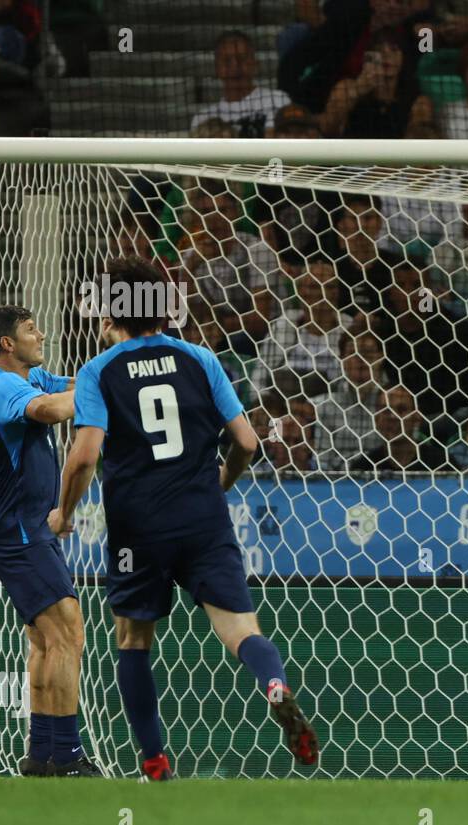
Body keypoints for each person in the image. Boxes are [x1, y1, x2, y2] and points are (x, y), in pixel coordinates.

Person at [50, 256, 319, 780]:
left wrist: (64, 513)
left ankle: (154, 761)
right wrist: (220, 484)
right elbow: (246, 441)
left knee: (132, 640)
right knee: (241, 630)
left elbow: (83, 457)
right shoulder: (200, 357)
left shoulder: (98, 372)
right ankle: (274, 684)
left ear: (112, 313)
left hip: (137, 527)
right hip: (203, 517)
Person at [0, 306, 99, 776]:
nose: (41, 334)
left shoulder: (31, 375)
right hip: (20, 532)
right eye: (31, 329)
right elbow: (49, 410)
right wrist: (103, 392)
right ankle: (67, 756)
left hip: (31, 529)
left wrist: (101, 381)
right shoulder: (0, 383)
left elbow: (67, 387)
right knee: (69, 631)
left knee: (47, 641)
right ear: (7, 343)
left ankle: (42, 754)